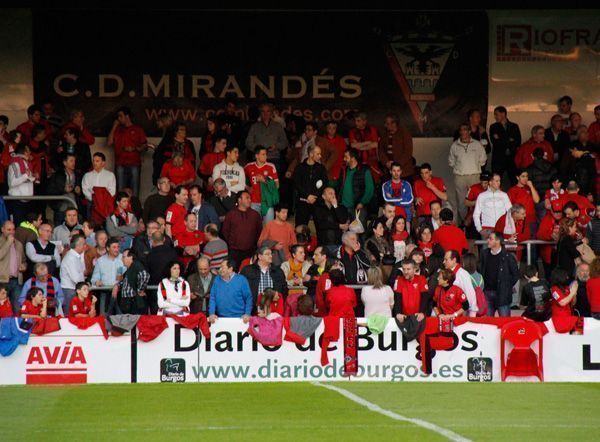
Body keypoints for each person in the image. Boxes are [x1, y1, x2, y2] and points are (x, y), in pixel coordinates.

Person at [448, 123, 487, 223]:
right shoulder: (454, 145)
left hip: (475, 176)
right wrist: (461, 168)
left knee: (477, 200)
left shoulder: (477, 144)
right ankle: (465, 223)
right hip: (460, 177)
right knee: (461, 201)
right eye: (461, 130)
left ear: (470, 131)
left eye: (465, 129)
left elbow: (483, 160)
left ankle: (477, 222)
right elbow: (451, 162)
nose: (463, 132)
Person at [107, 106, 147, 196]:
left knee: (135, 191)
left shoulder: (138, 129)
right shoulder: (117, 129)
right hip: (120, 164)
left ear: (127, 116)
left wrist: (135, 148)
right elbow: (109, 142)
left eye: (121, 116)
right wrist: (114, 126)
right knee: (120, 191)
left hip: (134, 164)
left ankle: (134, 209)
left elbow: (145, 146)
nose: (119, 118)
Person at [479, 233, 519, 317]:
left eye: (490, 239)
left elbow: (515, 275)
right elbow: (481, 270)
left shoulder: (508, 256)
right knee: (488, 324)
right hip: (487, 293)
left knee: (505, 323)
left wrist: (506, 286)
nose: (488, 241)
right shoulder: (484, 254)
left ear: (498, 241)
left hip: (502, 294)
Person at [222, 191, 263, 266]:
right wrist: (232, 243)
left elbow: (259, 231)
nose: (249, 200)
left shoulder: (255, 215)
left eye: (250, 198)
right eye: (247, 198)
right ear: (239, 200)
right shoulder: (231, 214)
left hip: (251, 251)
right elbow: (225, 231)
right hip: (234, 252)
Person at [293, 144, 329, 227]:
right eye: (318, 154)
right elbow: (297, 184)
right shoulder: (300, 167)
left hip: (317, 202)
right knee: (300, 228)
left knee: (321, 228)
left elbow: (325, 183)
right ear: (310, 154)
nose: (320, 156)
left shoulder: (321, 168)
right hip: (303, 202)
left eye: (320, 154)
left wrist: (315, 196)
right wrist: (307, 196)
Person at [244, 145, 279, 222]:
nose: (266, 156)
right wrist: (247, 187)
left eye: (266, 154)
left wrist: (264, 180)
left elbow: (277, 185)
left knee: (268, 228)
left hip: (267, 202)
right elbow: (240, 177)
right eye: (263, 154)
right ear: (256, 156)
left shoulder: (271, 166)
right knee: (254, 228)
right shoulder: (249, 167)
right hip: (253, 202)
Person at [473, 173, 512, 239]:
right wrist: (480, 230)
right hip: (487, 229)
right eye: (496, 181)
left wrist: (509, 228)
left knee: (501, 249)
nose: (499, 183)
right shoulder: (482, 196)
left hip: (502, 229)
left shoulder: (504, 195)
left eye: (499, 181)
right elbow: (476, 214)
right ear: (490, 182)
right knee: (486, 249)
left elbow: (510, 212)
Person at [46, 153, 82, 225]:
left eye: (74, 161)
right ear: (65, 163)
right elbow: (50, 190)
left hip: (74, 207)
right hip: (60, 207)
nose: (73, 163)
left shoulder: (78, 175)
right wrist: (63, 190)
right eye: (71, 161)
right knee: (59, 228)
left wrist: (79, 191)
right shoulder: (57, 175)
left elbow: (82, 193)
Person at [489, 105, 521, 184]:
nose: (495, 117)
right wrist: (509, 140)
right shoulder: (493, 127)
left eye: (496, 114)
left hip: (512, 158)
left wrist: (501, 138)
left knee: (515, 181)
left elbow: (518, 141)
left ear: (503, 114)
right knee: (496, 181)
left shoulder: (514, 126)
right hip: (498, 159)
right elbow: (495, 142)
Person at [111, 249, 150, 314]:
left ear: (131, 257)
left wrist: (140, 289)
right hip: (129, 302)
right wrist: (117, 285)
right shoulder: (130, 269)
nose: (122, 259)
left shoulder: (136, 265)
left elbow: (145, 275)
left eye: (123, 257)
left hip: (134, 302)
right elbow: (124, 281)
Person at [147, 232, 178, 313]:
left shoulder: (149, 256)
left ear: (152, 241)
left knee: (156, 317)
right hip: (171, 290)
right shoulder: (173, 253)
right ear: (164, 239)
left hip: (154, 291)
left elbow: (146, 274)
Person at [0, 221, 27, 315]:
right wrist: (8, 243)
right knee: (2, 307)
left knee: (17, 307)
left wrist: (24, 266)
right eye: (8, 229)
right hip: (2, 281)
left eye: (13, 229)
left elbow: (24, 260)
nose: (11, 232)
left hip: (16, 281)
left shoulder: (18, 244)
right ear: (2, 230)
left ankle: (16, 327)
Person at [81, 152, 117, 221]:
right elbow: (85, 190)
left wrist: (101, 200)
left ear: (103, 163)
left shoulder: (110, 175)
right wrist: (95, 200)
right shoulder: (87, 175)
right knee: (89, 204)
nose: (94, 163)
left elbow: (112, 191)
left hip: (105, 203)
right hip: (92, 202)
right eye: (93, 161)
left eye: (97, 161)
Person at [378, 113, 414, 179]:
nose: (385, 125)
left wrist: (396, 165)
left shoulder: (405, 133)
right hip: (388, 171)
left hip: (404, 172)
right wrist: (386, 162)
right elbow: (380, 150)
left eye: (387, 123)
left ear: (394, 124)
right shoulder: (384, 134)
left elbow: (408, 152)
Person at [443, 250, 478, 316]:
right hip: (448, 313)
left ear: (454, 260)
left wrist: (472, 313)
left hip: (460, 313)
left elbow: (470, 294)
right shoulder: (445, 273)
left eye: (446, 260)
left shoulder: (462, 274)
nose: (443, 262)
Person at [7, 144, 35, 224]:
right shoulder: (14, 164)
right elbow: (12, 182)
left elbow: (27, 180)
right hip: (17, 202)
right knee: (19, 227)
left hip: (28, 201)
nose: (30, 153)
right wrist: (25, 176)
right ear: (24, 153)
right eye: (29, 151)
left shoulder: (28, 164)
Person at [281, 244, 312, 316]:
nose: (304, 254)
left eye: (304, 252)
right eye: (301, 253)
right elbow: (283, 282)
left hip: (304, 297)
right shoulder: (285, 265)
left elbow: (309, 281)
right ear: (294, 255)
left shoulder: (308, 265)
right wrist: (293, 281)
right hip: (288, 296)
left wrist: (300, 281)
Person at [349, 112, 380, 181]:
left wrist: (360, 146)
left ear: (365, 121)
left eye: (358, 121)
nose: (356, 123)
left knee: (373, 181)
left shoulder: (372, 130)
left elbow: (375, 144)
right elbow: (353, 145)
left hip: (372, 161)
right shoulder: (352, 131)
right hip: (358, 161)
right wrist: (368, 143)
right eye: (355, 121)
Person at [59, 234, 86, 313]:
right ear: (78, 245)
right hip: (69, 290)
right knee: (70, 314)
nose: (85, 246)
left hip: (73, 289)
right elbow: (76, 278)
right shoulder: (71, 258)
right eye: (83, 244)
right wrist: (85, 286)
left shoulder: (75, 256)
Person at [550, 268, 578, 332]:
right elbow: (562, 302)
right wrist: (572, 293)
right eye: (565, 276)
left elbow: (573, 303)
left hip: (569, 317)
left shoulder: (567, 287)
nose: (567, 277)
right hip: (560, 319)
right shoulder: (554, 289)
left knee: (579, 332)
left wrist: (574, 294)